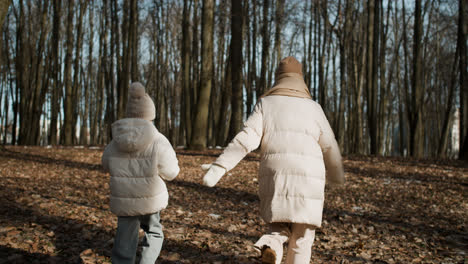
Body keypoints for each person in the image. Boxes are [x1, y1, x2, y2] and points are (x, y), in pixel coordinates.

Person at [202, 57, 345, 264]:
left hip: (276, 174)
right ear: (300, 79)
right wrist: (336, 174)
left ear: (278, 78)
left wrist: (220, 166)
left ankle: (272, 246)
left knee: (278, 226)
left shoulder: (266, 104)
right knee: (302, 238)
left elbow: (246, 139)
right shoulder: (314, 108)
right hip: (309, 178)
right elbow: (329, 145)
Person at [102, 82, 180, 264]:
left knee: (124, 237)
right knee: (154, 231)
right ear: (150, 115)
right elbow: (171, 171)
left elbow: (105, 164)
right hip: (150, 197)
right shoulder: (158, 139)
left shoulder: (116, 140)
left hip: (124, 197)